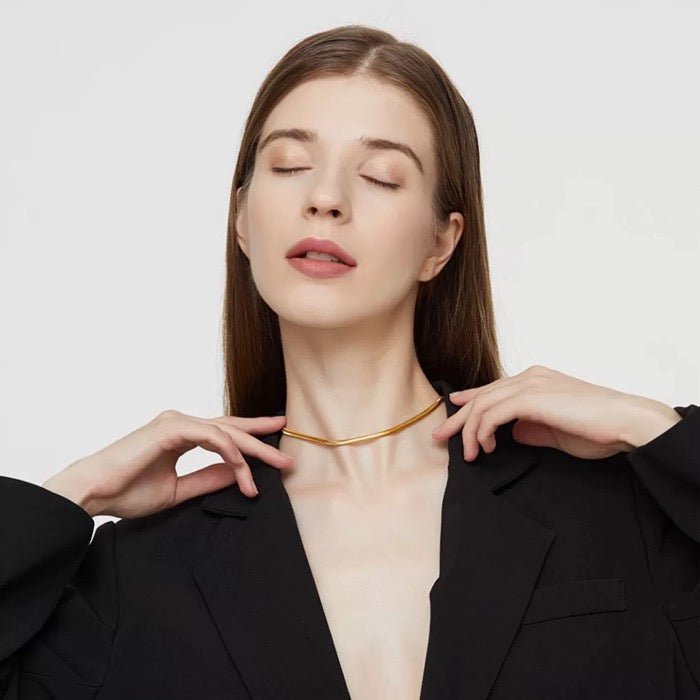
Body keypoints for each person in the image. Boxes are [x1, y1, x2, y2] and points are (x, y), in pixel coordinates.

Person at [1, 23, 698, 700]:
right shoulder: (136, 580)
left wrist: (651, 427)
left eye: (380, 177)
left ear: (441, 243)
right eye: (289, 166)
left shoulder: (614, 515)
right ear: (241, 219)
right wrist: (73, 494)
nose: (325, 198)